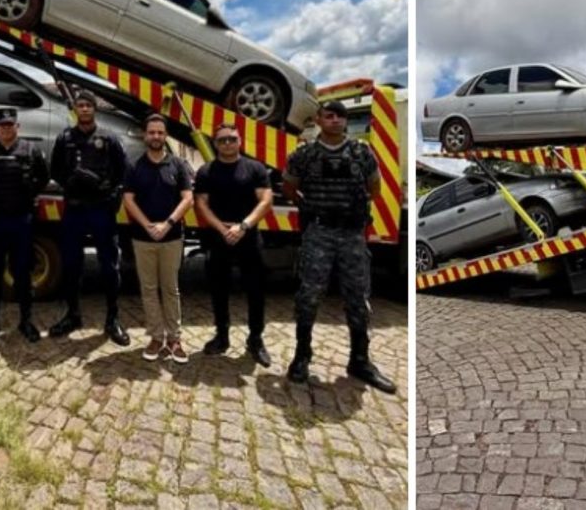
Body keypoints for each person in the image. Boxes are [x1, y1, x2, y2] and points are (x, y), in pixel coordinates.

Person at [281, 100, 396, 394]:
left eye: (340, 116)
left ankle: (360, 360)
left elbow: (375, 188)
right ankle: (301, 356)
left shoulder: (361, 152)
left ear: (346, 122)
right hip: (319, 231)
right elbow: (290, 187)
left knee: (357, 296)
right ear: (318, 119)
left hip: (352, 233)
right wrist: (309, 206)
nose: (335, 120)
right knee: (308, 295)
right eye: (329, 116)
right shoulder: (304, 154)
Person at [48, 90, 131, 345]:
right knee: (72, 265)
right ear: (75, 110)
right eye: (80, 105)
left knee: (110, 266)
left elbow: (124, 172)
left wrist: (111, 193)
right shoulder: (65, 138)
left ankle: (112, 319)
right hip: (74, 209)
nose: (84, 109)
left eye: (88, 105)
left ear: (94, 109)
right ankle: (73, 315)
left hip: (101, 210)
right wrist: (69, 181)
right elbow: (55, 170)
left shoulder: (109, 138)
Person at [194, 122, 274, 367]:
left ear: (240, 141)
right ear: (215, 143)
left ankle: (256, 339)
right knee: (219, 289)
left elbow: (265, 200)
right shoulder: (206, 171)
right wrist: (222, 228)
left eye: (232, 139)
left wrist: (244, 226)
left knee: (256, 290)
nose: (227, 143)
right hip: (219, 237)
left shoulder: (255, 168)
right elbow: (201, 204)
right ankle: (222, 336)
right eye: (222, 140)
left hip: (248, 236)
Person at [0, 108, 50, 346]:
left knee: (23, 274)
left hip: (21, 221)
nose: (6, 129)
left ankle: (26, 321)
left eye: (10, 125)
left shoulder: (31, 150)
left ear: (18, 127)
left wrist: (29, 195)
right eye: (2, 125)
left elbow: (44, 177)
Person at [122, 114, 194, 363]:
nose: (155, 136)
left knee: (170, 289)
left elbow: (187, 198)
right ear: (145, 135)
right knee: (149, 289)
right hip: (143, 238)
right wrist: (148, 225)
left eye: (160, 133)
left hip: (172, 238)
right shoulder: (134, 167)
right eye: (151, 132)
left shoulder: (178, 165)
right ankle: (155, 337)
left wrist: (168, 223)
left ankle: (174, 338)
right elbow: (128, 200)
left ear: (165, 136)